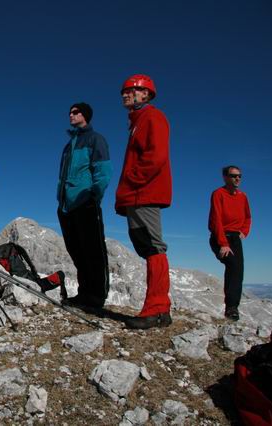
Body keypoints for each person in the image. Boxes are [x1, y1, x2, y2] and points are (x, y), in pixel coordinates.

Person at [115, 74, 173, 329]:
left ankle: (156, 309)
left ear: (146, 94)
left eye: (132, 90)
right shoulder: (137, 121)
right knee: (147, 246)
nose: (126, 94)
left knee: (153, 247)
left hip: (144, 193)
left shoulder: (152, 116)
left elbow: (157, 155)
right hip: (137, 194)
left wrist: (132, 180)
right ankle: (161, 310)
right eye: (124, 91)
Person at [56, 103, 112, 311]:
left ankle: (96, 298)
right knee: (77, 251)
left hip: (85, 203)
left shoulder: (95, 139)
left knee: (93, 251)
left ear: (85, 115)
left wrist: (93, 196)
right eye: (70, 111)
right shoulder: (69, 145)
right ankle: (84, 295)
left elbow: (103, 171)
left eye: (76, 112)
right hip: (66, 206)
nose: (71, 115)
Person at [208, 165, 251, 321]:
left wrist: (244, 231)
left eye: (239, 176)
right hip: (220, 236)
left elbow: (248, 216)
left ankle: (233, 308)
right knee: (233, 265)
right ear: (225, 177)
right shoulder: (218, 194)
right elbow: (216, 219)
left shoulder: (243, 196)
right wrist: (223, 243)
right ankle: (231, 308)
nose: (237, 178)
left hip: (235, 238)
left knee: (238, 271)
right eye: (233, 176)